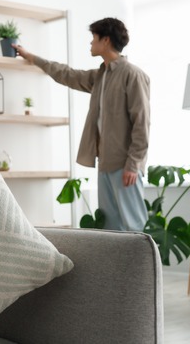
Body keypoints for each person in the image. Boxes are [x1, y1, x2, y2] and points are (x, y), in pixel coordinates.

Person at [13, 18, 150, 231]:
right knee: (111, 228)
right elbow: (66, 74)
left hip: (126, 166)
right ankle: (113, 266)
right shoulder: (101, 75)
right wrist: (31, 57)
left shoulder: (132, 75)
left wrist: (133, 164)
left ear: (105, 40)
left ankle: (145, 266)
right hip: (105, 163)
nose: (90, 44)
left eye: (93, 39)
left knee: (134, 227)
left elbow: (142, 123)